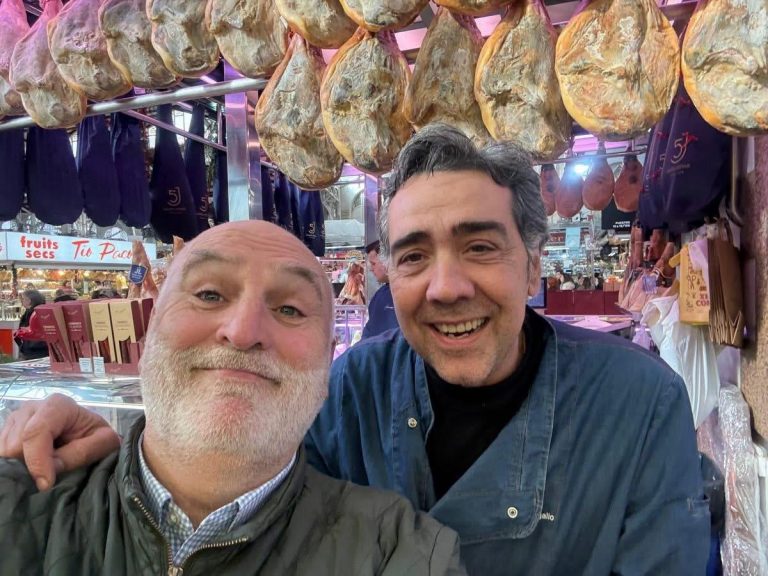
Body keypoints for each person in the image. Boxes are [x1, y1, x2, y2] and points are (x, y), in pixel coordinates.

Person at [0, 126, 709, 575]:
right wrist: (121, 448)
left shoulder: (639, 403)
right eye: (413, 256)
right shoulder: (349, 387)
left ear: (533, 267)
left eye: (480, 247)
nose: (446, 286)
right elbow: (240, 493)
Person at [0, 221, 463, 575]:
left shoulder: (403, 554)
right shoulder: (17, 505)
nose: (242, 332)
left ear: (328, 361)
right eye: (208, 294)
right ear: (150, 327)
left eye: (289, 308)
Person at [361, 240, 399, 340]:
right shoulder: (380, 295)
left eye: (373, 264)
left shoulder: (404, 294)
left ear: (387, 261)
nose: (371, 269)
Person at [13, 289, 48, 360]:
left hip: (32, 351)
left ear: (29, 300)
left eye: (23, 299)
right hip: (42, 349)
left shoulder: (31, 313)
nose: (22, 301)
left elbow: (27, 331)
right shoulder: (43, 311)